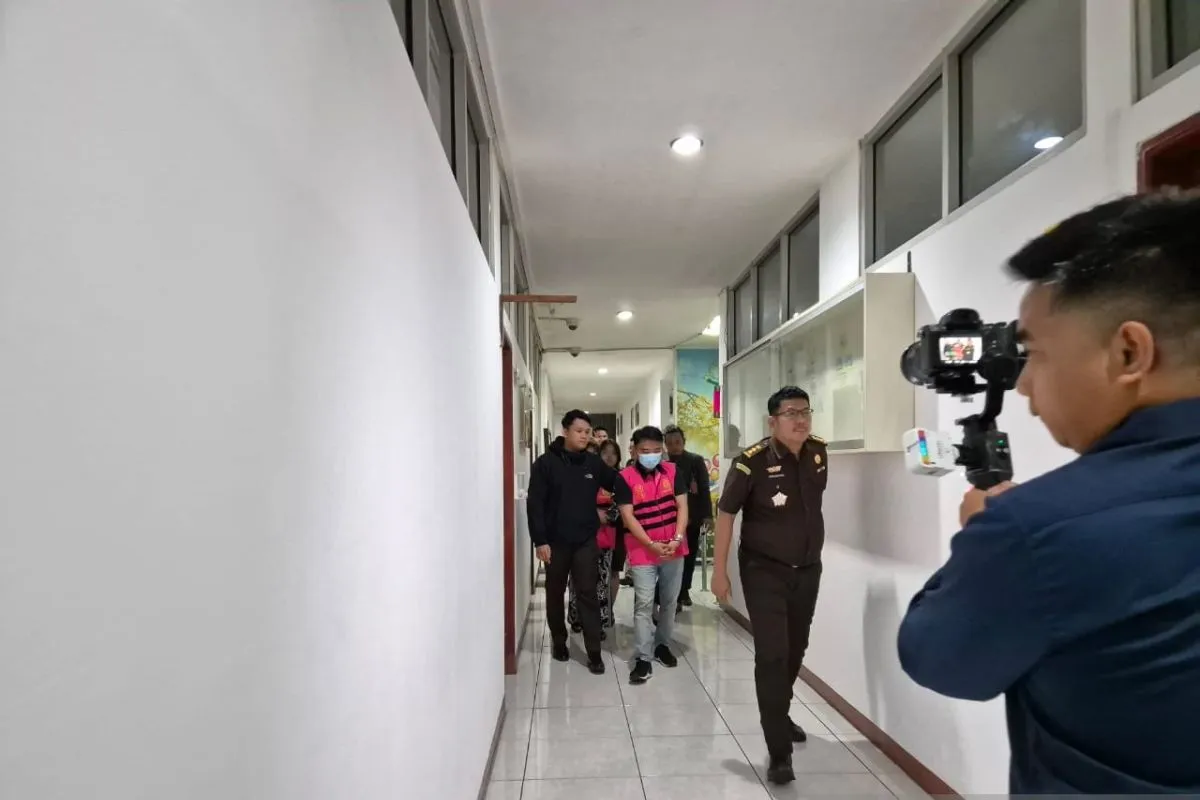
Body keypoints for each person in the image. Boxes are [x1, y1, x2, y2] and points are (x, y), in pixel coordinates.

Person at [897, 192, 1200, 794]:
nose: (1024, 384)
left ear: (1129, 352)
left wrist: (982, 534)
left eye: (1033, 353)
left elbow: (940, 659)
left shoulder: (1035, 530)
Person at [712, 387, 828, 786]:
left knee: (796, 648)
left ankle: (780, 712)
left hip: (808, 569)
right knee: (772, 655)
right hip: (763, 570)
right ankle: (779, 752)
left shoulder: (818, 453)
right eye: (791, 413)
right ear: (772, 421)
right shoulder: (751, 462)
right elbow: (725, 514)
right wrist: (719, 571)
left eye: (805, 411)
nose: (800, 419)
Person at [527, 409, 619, 675]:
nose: (584, 436)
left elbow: (617, 482)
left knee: (587, 593)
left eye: (587, 432)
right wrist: (540, 541)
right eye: (579, 431)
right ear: (565, 431)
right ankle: (559, 641)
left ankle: (594, 652)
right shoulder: (545, 464)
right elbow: (535, 505)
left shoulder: (593, 463)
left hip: (585, 541)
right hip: (555, 542)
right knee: (555, 593)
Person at [615, 425, 689, 685]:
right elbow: (628, 516)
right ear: (635, 451)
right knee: (644, 604)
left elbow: (682, 507)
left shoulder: (673, 471)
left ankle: (662, 645)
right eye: (645, 451)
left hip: (674, 547)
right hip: (642, 550)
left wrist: (676, 538)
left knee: (669, 601)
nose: (651, 455)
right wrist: (650, 544)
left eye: (657, 450)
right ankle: (643, 658)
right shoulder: (624, 478)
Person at [567, 439, 624, 633]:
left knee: (601, 580)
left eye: (613, 453)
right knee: (578, 578)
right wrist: (591, 514)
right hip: (579, 535)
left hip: (606, 535)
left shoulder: (616, 478)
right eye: (604, 453)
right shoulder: (581, 475)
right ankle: (577, 617)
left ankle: (599, 621)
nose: (609, 457)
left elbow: (622, 503)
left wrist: (606, 515)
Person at [664, 424, 714, 610]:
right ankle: (672, 594)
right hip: (669, 518)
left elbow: (704, 488)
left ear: (683, 442)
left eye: (677, 442)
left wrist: (707, 515)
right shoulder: (662, 463)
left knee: (689, 555)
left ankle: (684, 590)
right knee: (671, 557)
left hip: (692, 517)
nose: (674, 446)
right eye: (670, 443)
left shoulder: (695, 461)